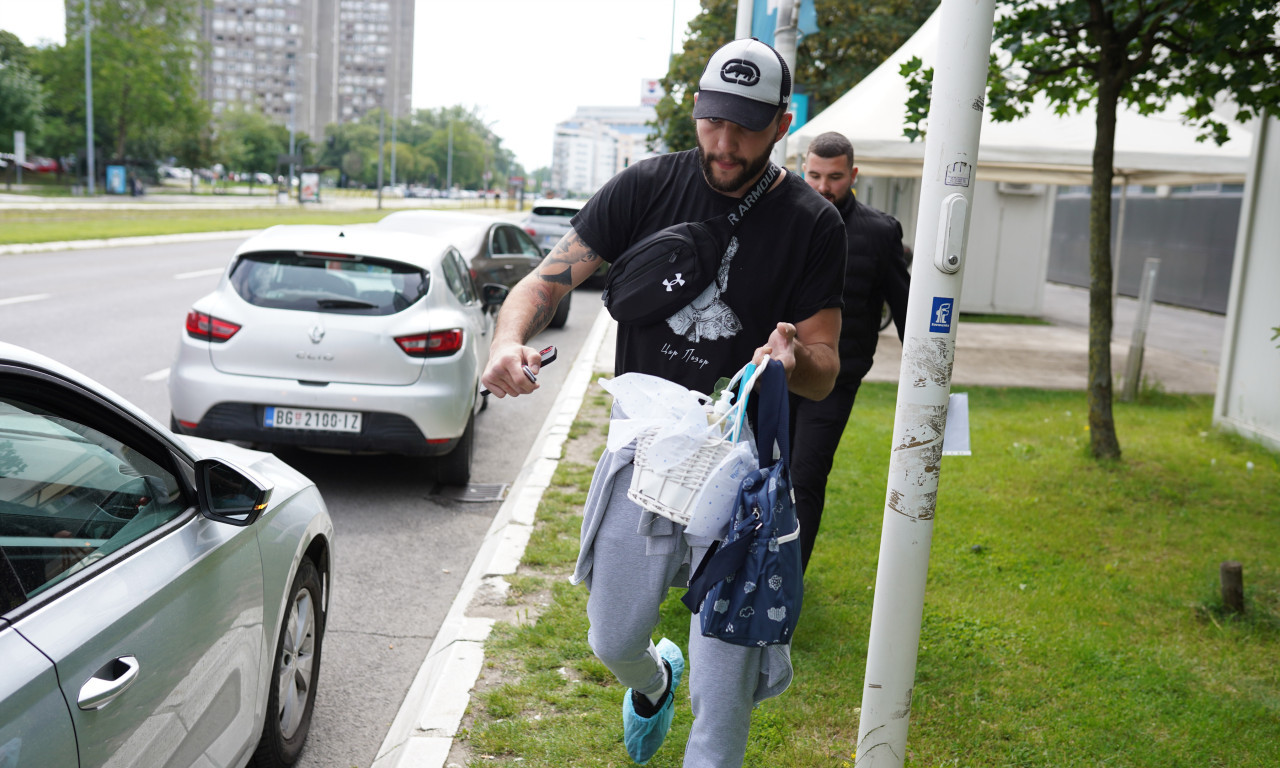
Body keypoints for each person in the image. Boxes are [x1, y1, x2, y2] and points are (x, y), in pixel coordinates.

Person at [480, 38, 847, 768]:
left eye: (746, 126)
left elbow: (825, 367)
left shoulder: (812, 223)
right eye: (713, 121)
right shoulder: (645, 186)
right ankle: (654, 681)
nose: (725, 143)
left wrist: (793, 359)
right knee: (613, 638)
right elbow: (545, 281)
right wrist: (508, 340)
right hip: (644, 458)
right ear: (695, 110)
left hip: (741, 479)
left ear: (782, 124)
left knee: (723, 704)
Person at [791, 131, 911, 573]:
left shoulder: (880, 232)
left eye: (835, 177)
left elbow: (906, 308)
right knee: (758, 470)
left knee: (805, 476)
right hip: (776, 371)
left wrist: (928, 376)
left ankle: (786, 584)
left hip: (836, 380)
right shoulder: (781, 218)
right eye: (815, 175)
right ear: (803, 170)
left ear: (853, 174)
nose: (823, 186)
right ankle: (751, 571)